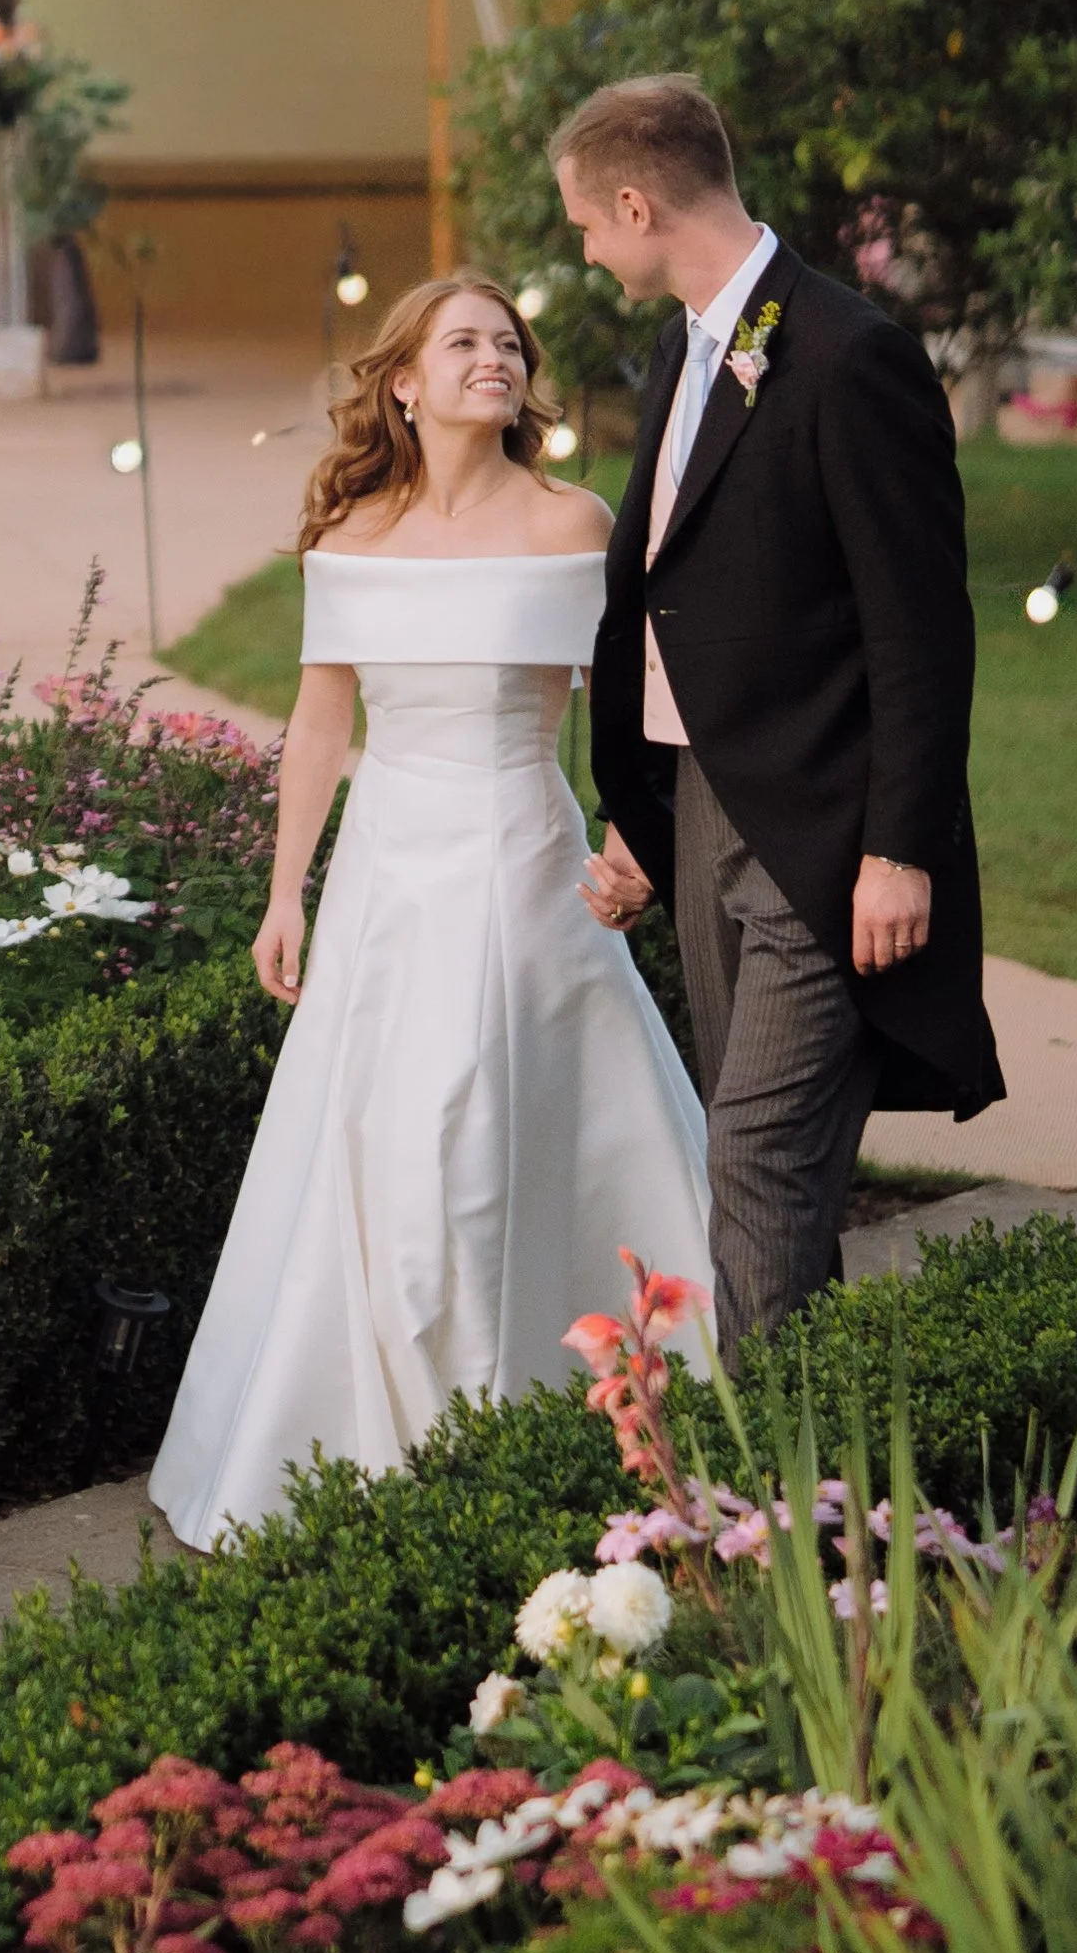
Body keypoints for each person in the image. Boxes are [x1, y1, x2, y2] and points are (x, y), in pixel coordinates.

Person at [150, 274, 710, 1552]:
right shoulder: (351, 533)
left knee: (499, 1118)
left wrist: (638, 836)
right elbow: (319, 721)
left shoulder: (574, 522)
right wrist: (285, 889)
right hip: (388, 874)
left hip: (523, 859)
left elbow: (643, 700)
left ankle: (545, 1405)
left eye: (508, 345)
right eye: (463, 343)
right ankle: (381, 1432)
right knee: (385, 1134)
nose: (494, 361)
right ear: (403, 381)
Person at [560, 76, 1005, 1369]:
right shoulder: (681, 346)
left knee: (757, 1157)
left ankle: (773, 1494)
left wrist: (900, 846)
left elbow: (920, 626)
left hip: (824, 832)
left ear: (639, 204)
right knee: (763, 1159)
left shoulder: (851, 353)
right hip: (703, 809)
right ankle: (822, 1483)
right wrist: (648, 815)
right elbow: (679, 596)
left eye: (590, 222)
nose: (588, 247)